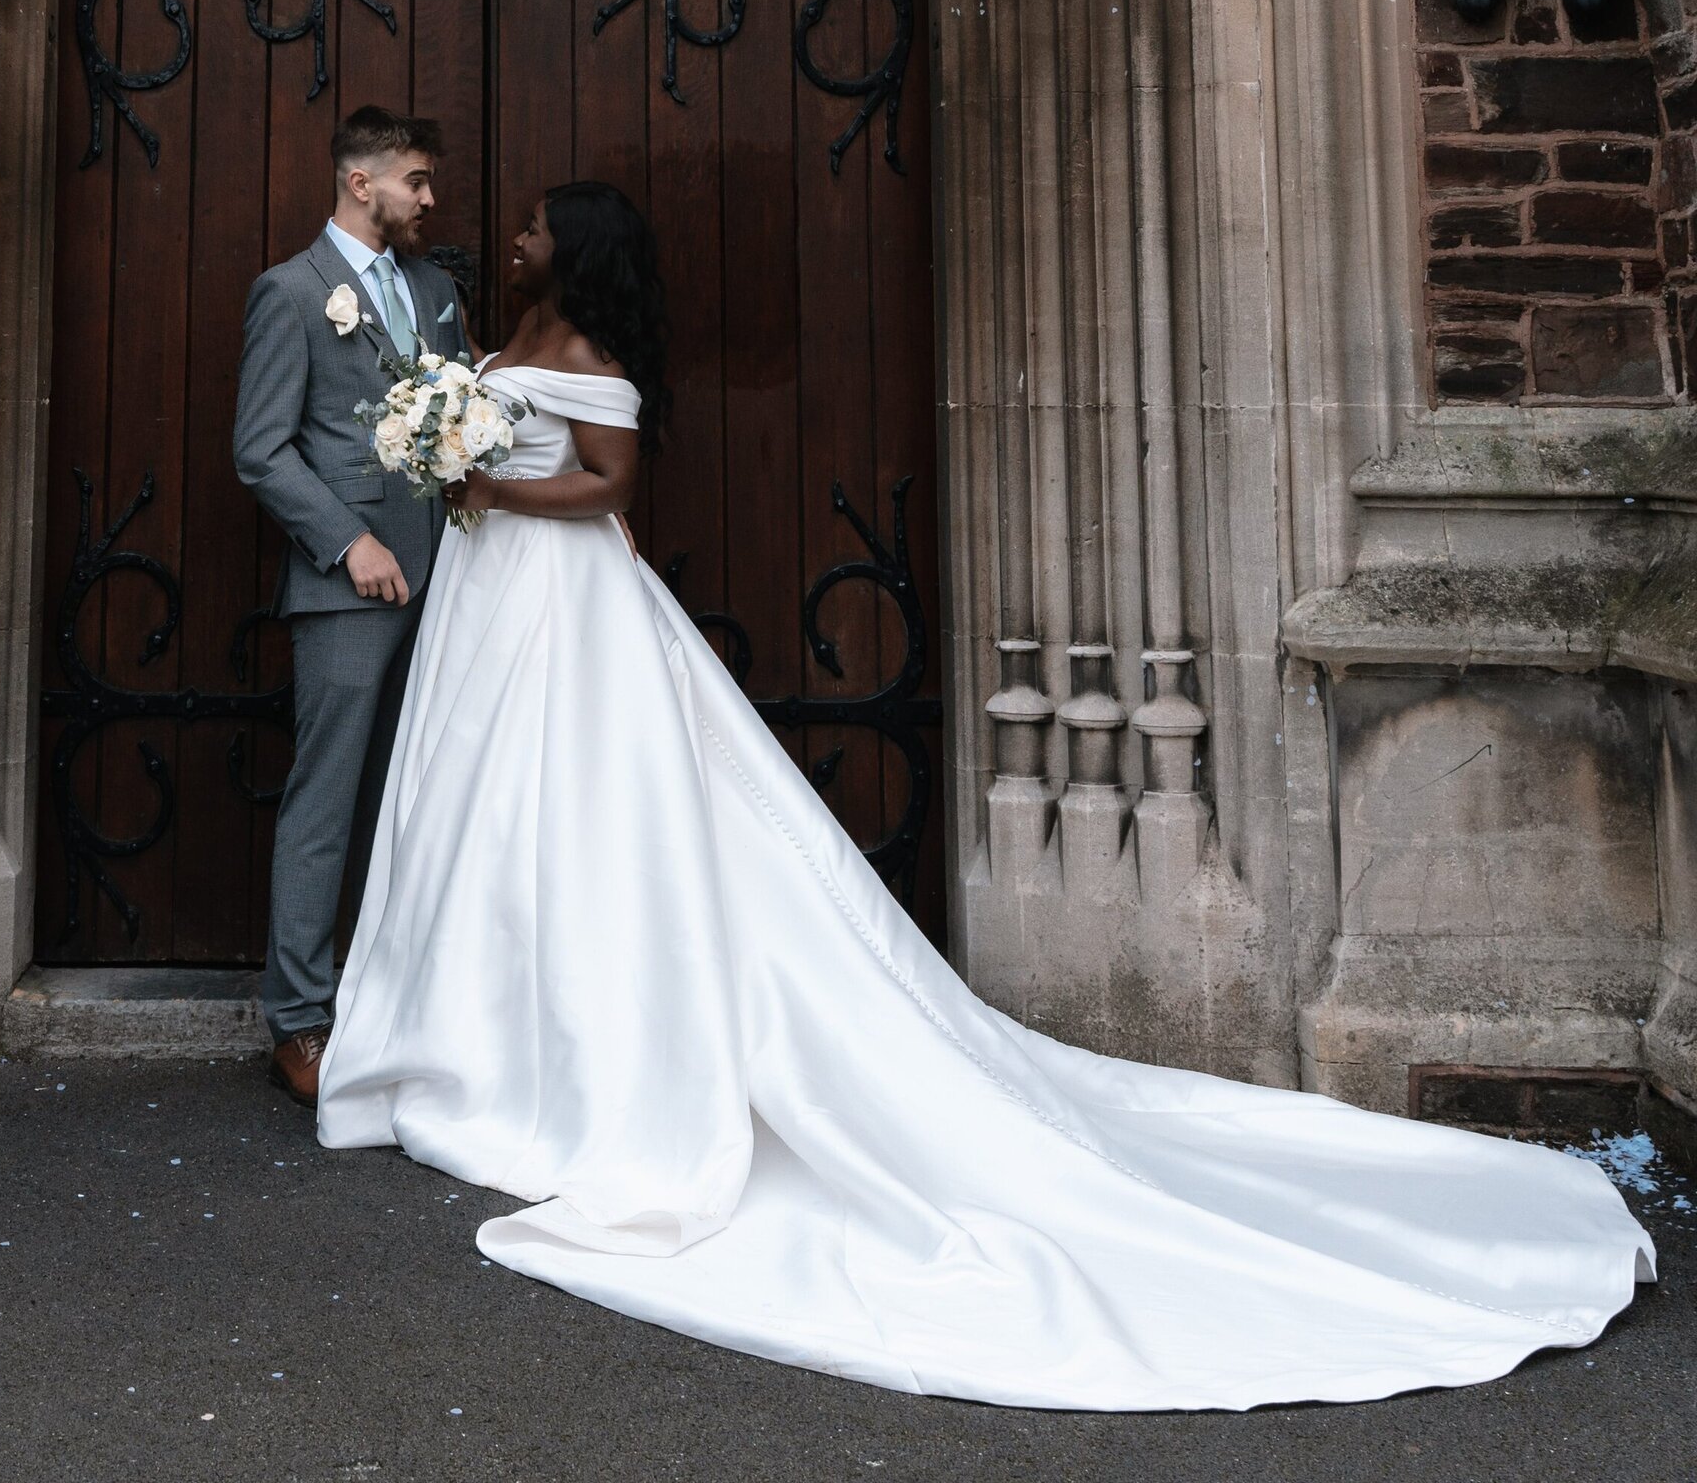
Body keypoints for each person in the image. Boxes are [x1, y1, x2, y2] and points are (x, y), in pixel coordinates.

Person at [316, 181, 1653, 1411]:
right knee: (485, 816)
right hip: (490, 606)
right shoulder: (515, 331)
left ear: (580, 250)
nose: (520, 234)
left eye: (542, 224)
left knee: (596, 816)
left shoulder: (593, 362)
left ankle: (571, 1061)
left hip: (565, 604)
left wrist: (480, 477)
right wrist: (460, 451)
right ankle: (478, 1034)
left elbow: (607, 490)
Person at [231, 106, 467, 1106]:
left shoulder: (439, 290)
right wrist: (348, 541)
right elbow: (260, 449)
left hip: (454, 579)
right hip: (348, 587)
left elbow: (465, 421)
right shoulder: (292, 295)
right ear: (360, 183)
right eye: (415, 179)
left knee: (414, 800)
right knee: (326, 805)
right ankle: (300, 1022)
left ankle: (393, 1007)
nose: (429, 199)